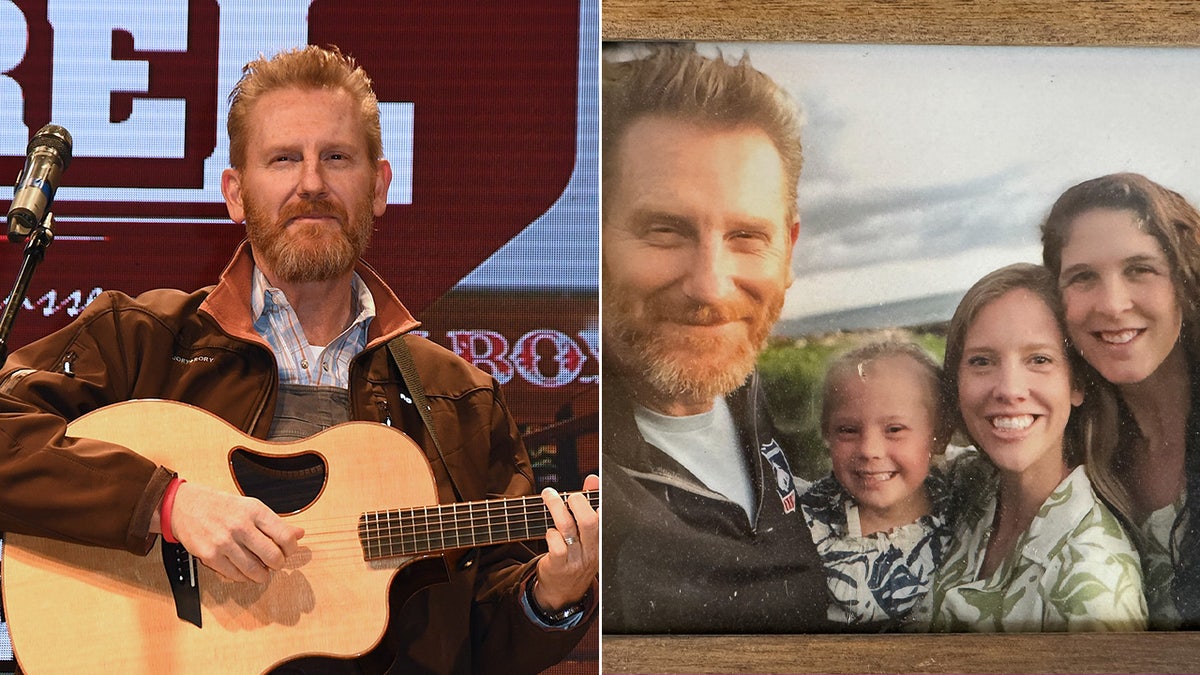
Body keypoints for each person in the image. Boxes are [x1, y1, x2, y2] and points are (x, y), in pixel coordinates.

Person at [0, 45, 597, 674]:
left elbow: (484, 640)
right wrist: (167, 504)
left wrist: (552, 596)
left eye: (336, 158)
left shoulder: (459, 401)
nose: (311, 184)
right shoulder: (141, 338)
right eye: (284, 158)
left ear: (379, 187)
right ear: (236, 192)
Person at [601, 43, 828, 633]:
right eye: (663, 231)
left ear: (789, 248)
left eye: (748, 236)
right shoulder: (549, 471)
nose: (709, 287)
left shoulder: (770, 401)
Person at [922, 263, 1146, 632]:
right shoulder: (969, 484)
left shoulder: (1092, 584)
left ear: (1077, 384)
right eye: (982, 361)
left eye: (1039, 360)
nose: (1009, 389)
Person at [1041, 172, 1200, 629]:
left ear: (1183, 281)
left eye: (1140, 270)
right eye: (1083, 277)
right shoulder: (1073, 443)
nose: (1112, 304)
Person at [799, 340, 952, 631]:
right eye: (848, 430)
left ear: (940, 436)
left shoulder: (964, 504)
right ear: (826, 434)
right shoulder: (803, 523)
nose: (869, 450)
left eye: (894, 430)